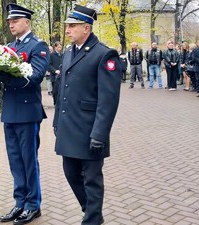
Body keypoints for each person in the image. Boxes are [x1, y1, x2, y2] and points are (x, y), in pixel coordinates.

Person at [53, 4, 121, 225]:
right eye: (67, 26)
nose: (67, 30)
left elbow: (108, 100)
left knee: (91, 178)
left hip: (90, 128)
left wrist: (100, 134)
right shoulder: (69, 52)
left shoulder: (104, 55)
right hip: (68, 126)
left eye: (72, 26)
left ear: (86, 28)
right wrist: (57, 122)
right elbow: (62, 89)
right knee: (70, 172)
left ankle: (92, 219)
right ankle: (91, 210)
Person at [0, 4, 49, 225]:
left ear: (26, 22)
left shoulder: (38, 45)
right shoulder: (9, 46)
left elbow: (36, 76)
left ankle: (32, 205)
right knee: (15, 161)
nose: (11, 24)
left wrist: (7, 76)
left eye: (15, 21)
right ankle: (19, 202)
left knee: (28, 161)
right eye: (10, 21)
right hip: (10, 111)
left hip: (27, 112)